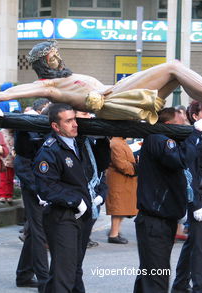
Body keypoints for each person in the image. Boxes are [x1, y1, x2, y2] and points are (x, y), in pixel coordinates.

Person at [0, 41, 202, 125]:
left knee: (176, 73)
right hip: (111, 100)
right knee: (173, 66)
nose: (59, 59)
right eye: (54, 57)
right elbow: (6, 95)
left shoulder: (63, 78)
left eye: (58, 55)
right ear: (44, 63)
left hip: (116, 95)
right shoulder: (47, 86)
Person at [133, 107, 202, 293]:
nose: (186, 127)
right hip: (155, 220)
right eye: (181, 124)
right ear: (168, 125)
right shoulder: (159, 139)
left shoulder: (162, 140)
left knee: (150, 275)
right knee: (156, 279)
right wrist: (197, 133)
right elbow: (180, 159)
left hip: (160, 220)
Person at [33, 103, 92, 293]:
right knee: (63, 275)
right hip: (62, 217)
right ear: (56, 127)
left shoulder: (78, 143)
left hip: (80, 216)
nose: (75, 124)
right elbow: (46, 188)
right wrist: (75, 201)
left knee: (73, 271)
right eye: (68, 121)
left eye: (74, 119)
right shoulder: (49, 151)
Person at [172, 101, 202, 293]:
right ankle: (201, 288)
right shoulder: (194, 137)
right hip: (201, 196)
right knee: (201, 246)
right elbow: (191, 172)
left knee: (193, 243)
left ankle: (180, 285)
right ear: (195, 116)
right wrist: (196, 202)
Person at [15, 98, 50, 291]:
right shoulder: (29, 130)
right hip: (35, 190)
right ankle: (44, 280)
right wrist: (39, 192)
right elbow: (23, 164)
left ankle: (24, 274)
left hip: (44, 189)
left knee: (36, 233)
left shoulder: (44, 131)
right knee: (39, 233)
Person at [73, 111, 110, 292]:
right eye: (82, 113)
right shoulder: (69, 141)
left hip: (90, 204)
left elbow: (101, 169)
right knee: (68, 258)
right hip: (71, 205)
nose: (87, 117)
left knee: (78, 255)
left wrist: (101, 195)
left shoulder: (93, 141)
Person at [105, 136, 138, 244]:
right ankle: (113, 234)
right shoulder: (116, 143)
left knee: (121, 207)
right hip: (118, 180)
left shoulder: (119, 142)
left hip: (123, 180)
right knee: (118, 208)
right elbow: (120, 164)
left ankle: (115, 231)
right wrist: (136, 168)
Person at [0, 128, 15, 204]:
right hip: (2, 159)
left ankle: (9, 195)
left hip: (12, 159)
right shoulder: (0, 133)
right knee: (2, 178)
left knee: (10, 179)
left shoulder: (15, 133)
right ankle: (2, 195)